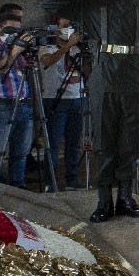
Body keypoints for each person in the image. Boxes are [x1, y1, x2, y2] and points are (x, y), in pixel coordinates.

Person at [42, 0, 139, 221]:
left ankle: (127, 197)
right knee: (105, 141)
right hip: (104, 78)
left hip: (134, 80)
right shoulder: (93, 6)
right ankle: (104, 200)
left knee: (130, 142)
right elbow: (51, 3)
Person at [0, 11, 37, 186]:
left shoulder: (22, 50)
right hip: (1, 105)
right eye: (10, 29)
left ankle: (17, 185)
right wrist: (13, 52)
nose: (15, 34)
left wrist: (24, 50)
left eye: (18, 31)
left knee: (21, 151)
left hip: (24, 103)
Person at [37, 14, 90, 187]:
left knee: (74, 143)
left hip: (78, 97)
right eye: (65, 26)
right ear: (55, 28)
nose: (69, 30)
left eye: (72, 27)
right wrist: (67, 46)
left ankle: (72, 178)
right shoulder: (47, 47)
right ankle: (50, 181)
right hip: (55, 98)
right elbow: (48, 62)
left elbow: (88, 70)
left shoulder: (79, 48)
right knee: (53, 142)